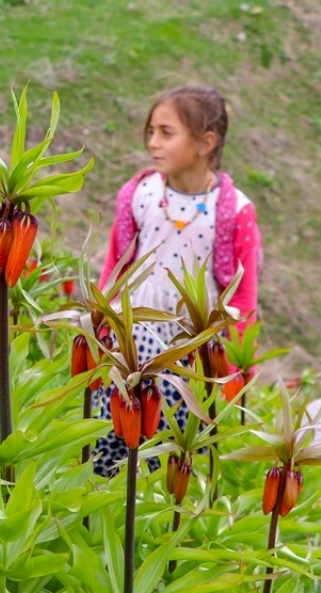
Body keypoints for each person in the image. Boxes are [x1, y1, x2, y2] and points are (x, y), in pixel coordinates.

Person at [93, 85, 262, 478]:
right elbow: (116, 266)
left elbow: (244, 297)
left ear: (206, 142)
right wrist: (98, 320)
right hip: (132, 329)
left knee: (170, 444)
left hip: (190, 343)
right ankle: (109, 505)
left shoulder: (235, 210)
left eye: (167, 133)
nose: (153, 142)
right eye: (151, 131)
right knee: (112, 432)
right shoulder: (139, 193)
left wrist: (240, 367)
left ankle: (150, 518)